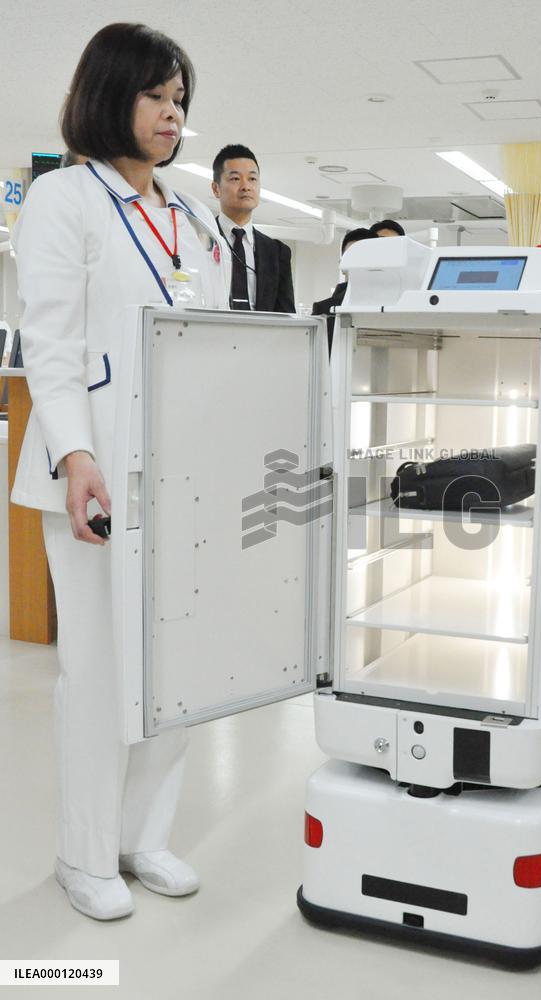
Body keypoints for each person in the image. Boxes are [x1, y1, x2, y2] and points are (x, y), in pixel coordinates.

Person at [11, 22, 230, 921]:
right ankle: (85, 853)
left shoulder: (194, 216)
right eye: (155, 96)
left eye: (180, 100)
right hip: (92, 475)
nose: (173, 115)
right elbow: (51, 344)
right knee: (98, 673)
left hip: (184, 475)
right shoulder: (64, 199)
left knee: (175, 664)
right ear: (110, 95)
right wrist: (76, 454)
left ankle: (144, 837)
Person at [211, 144, 295, 312]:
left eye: (252, 179)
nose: (246, 186)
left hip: (261, 329)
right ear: (216, 189)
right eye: (235, 179)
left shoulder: (277, 252)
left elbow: (285, 315)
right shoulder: (201, 239)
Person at [312, 227, 376, 354]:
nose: (358, 264)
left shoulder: (395, 308)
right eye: (352, 258)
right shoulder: (324, 311)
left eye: (364, 257)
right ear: (342, 265)